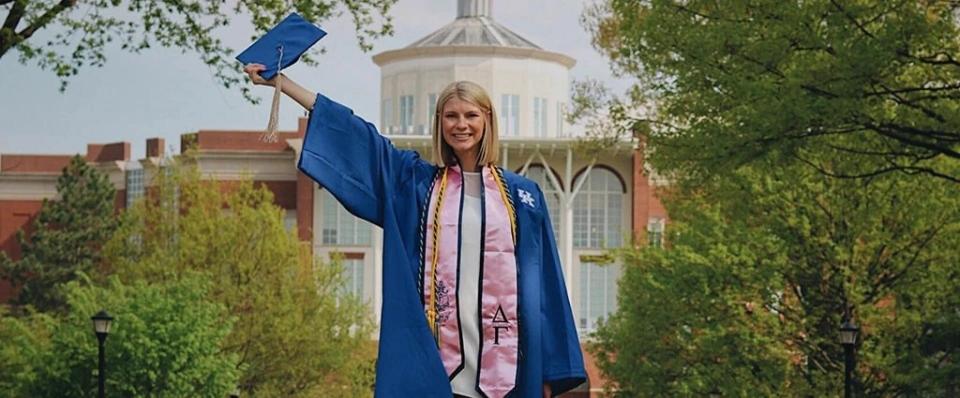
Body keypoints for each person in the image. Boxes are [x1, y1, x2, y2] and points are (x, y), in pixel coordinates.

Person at [244, 64, 585, 398]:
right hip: (435, 369)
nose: (461, 125)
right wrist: (284, 83)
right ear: (440, 124)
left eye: (471, 115)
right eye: (451, 116)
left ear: (488, 121)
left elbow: (547, 286)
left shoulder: (522, 197)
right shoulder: (417, 184)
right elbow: (359, 139)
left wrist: (550, 371)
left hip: (507, 370)